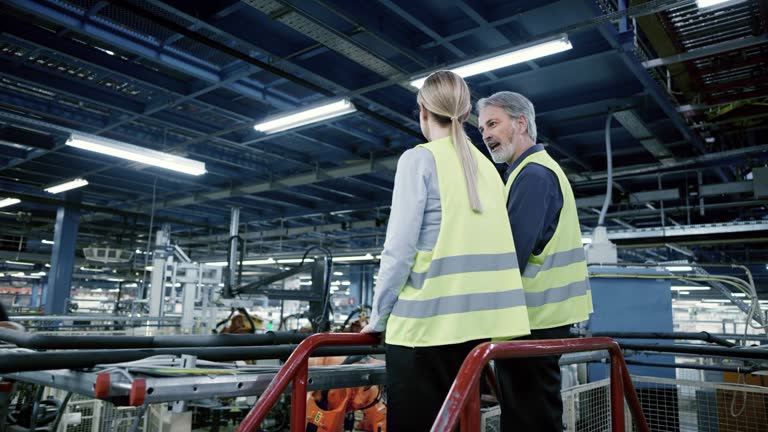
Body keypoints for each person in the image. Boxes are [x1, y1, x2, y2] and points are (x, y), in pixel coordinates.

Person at [360, 71, 531, 432]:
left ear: (422, 110)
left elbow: (399, 252)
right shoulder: (488, 167)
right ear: (467, 111)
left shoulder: (419, 159)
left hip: (423, 333)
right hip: (476, 336)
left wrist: (377, 320)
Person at [476, 91, 593, 432]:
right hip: (538, 320)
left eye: (493, 123)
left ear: (521, 123)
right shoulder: (529, 172)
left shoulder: (533, 175)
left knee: (530, 418)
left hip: (532, 322)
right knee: (533, 413)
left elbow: (510, 253)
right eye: (483, 127)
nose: (485, 134)